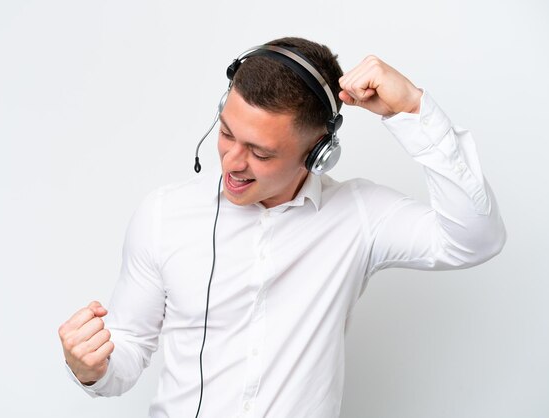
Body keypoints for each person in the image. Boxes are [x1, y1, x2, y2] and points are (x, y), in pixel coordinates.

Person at [58, 37, 506, 417]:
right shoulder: (162, 215)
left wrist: (412, 110)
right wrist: (91, 366)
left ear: (318, 152)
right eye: (227, 133)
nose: (232, 162)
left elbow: (476, 238)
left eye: (261, 152)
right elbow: (130, 347)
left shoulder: (360, 215)